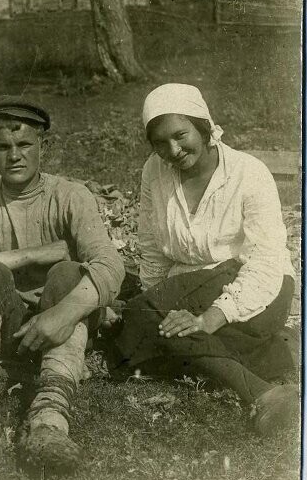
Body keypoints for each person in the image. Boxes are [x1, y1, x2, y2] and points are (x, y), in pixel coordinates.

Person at [0, 96, 125, 474]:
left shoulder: (70, 195)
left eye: (24, 145)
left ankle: (50, 420)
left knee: (69, 273)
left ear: (44, 147)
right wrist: (32, 254)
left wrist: (63, 314)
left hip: (63, 329)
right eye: (2, 147)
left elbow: (110, 265)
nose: (14, 156)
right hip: (3, 329)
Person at [114, 83, 298, 435]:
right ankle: (271, 363)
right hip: (189, 289)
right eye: (160, 143)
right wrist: (156, 299)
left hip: (256, 289)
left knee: (141, 336)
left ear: (204, 126)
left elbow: (266, 260)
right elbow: (152, 246)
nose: (173, 150)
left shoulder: (249, 172)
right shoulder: (153, 172)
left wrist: (211, 318)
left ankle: (258, 388)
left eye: (181, 135)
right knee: (150, 326)